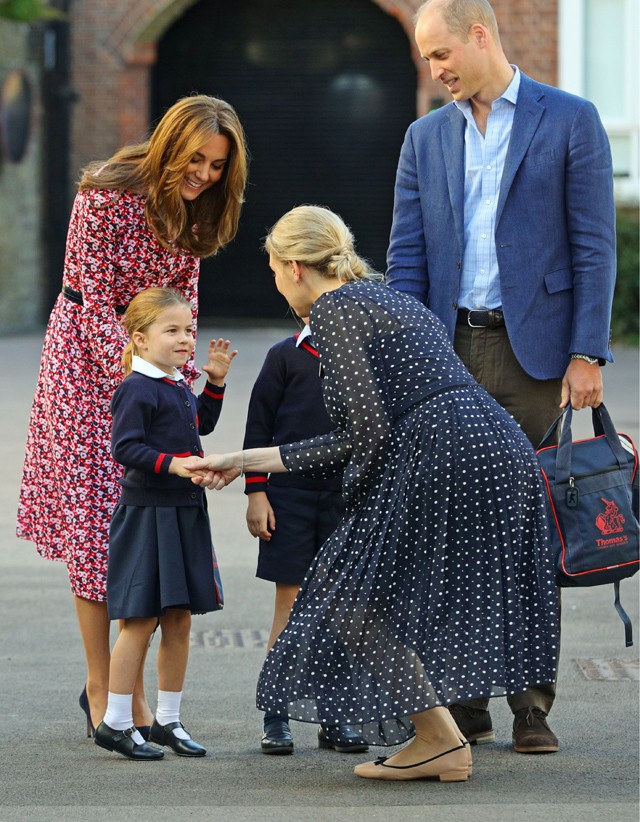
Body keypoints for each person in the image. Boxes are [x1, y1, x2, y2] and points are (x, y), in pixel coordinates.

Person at [180, 205, 559, 782]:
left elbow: (363, 434)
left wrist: (248, 461)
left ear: (295, 266)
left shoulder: (333, 311)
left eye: (275, 272)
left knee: (345, 593)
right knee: (402, 594)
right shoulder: (389, 297)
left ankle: (438, 740)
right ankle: (443, 737)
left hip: (443, 455)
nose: (278, 286)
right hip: (495, 448)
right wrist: (244, 460)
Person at [386, 0, 616, 753]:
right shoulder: (424, 137)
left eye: (441, 53)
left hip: (536, 360)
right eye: (427, 60)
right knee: (449, 528)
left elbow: (592, 245)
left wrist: (587, 354)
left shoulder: (568, 118)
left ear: (480, 35)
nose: (436, 70)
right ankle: (464, 700)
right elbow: (407, 260)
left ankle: (532, 705)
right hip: (447, 352)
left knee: (529, 528)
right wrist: (405, 361)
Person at [17, 94, 248, 737]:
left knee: (142, 530)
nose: (203, 174)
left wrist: (180, 379)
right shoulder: (105, 193)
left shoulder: (199, 209)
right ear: (170, 144)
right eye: (196, 159)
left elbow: (185, 301)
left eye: (217, 166)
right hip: (88, 368)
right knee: (97, 532)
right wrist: (139, 384)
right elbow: (92, 302)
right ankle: (104, 692)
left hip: (152, 366)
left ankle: (131, 693)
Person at [94, 287, 235, 761]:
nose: (184, 338)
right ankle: (115, 722)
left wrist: (214, 383)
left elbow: (201, 424)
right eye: (171, 330)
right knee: (140, 619)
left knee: (178, 619)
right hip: (148, 515)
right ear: (139, 338)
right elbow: (125, 448)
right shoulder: (135, 387)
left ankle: (168, 721)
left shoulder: (175, 383)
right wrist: (174, 466)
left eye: (188, 329)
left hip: (185, 513)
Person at [243, 320, 367, 755]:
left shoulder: (363, 356)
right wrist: (256, 492)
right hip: (288, 495)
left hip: (346, 498)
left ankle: (335, 717)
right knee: (290, 606)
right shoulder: (284, 355)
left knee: (340, 610)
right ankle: (276, 715)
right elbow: (258, 426)